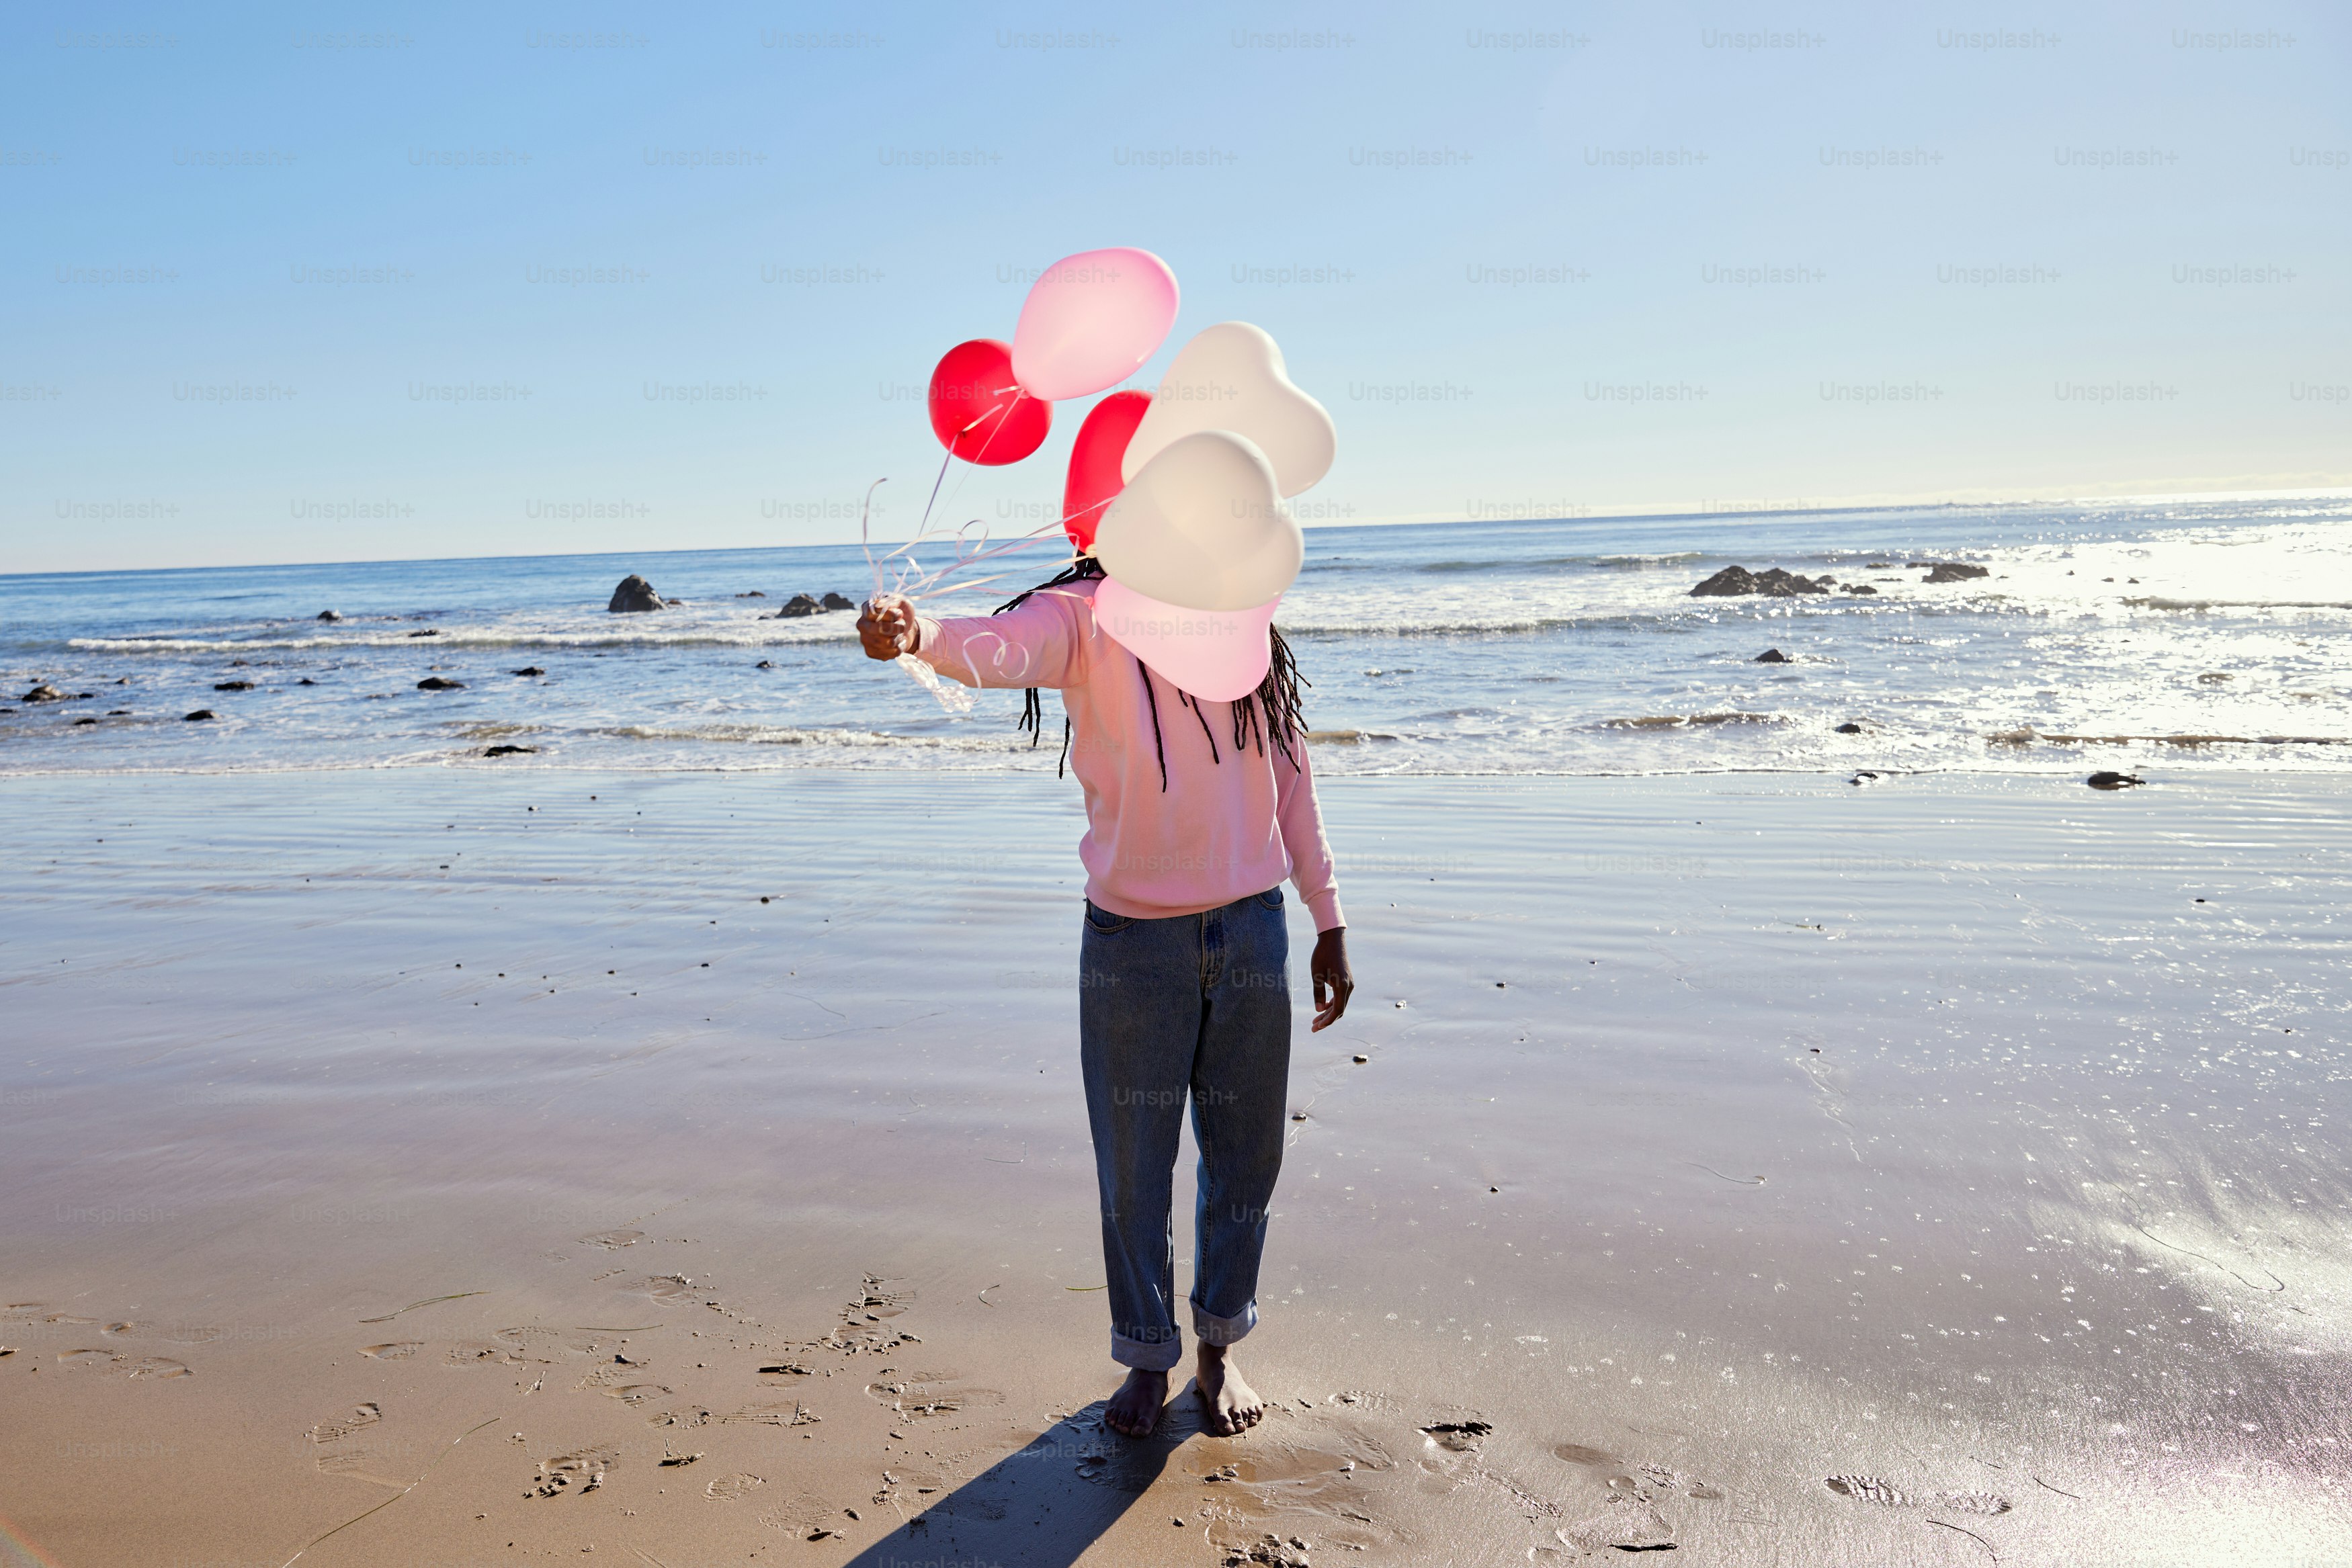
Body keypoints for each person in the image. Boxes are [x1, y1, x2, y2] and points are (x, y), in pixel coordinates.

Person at [857, 563, 1353, 1438]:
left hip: (1252, 929)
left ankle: (1218, 1344)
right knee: (1134, 1166)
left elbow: (1292, 772)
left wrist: (1328, 915)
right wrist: (921, 635)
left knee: (1247, 1157)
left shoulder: (1235, 616)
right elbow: (1005, 648)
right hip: (1135, 945)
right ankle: (1146, 1352)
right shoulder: (1083, 616)